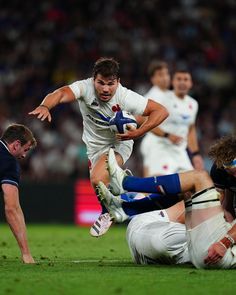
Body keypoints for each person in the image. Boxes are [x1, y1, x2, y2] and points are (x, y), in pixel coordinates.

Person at [28, 57, 168, 237]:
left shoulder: (125, 96)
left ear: (118, 82)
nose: (105, 88)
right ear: (94, 79)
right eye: (101, 83)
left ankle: (115, 202)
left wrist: (139, 132)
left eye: (110, 83)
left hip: (119, 142)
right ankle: (121, 194)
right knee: (99, 184)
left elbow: (161, 111)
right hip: (94, 147)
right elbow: (62, 93)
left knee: (96, 178)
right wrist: (45, 105)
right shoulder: (85, 88)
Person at [97, 148, 236, 269]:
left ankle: (126, 188)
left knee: (198, 179)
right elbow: (226, 206)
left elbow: (185, 216)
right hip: (155, 248)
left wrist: (225, 241)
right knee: (194, 192)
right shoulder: (224, 180)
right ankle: (127, 207)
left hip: (155, 238)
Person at [140, 68, 204, 176]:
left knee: (191, 187)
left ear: (190, 83)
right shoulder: (162, 99)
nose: (182, 82)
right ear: (173, 82)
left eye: (185, 79)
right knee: (158, 185)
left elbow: (191, 129)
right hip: (161, 148)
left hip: (180, 151)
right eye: (178, 79)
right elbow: (144, 120)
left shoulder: (193, 104)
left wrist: (196, 154)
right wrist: (167, 135)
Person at [0, 124, 37, 263]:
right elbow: (12, 208)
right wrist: (26, 253)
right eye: (25, 149)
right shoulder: (9, 163)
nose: (24, 155)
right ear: (16, 145)